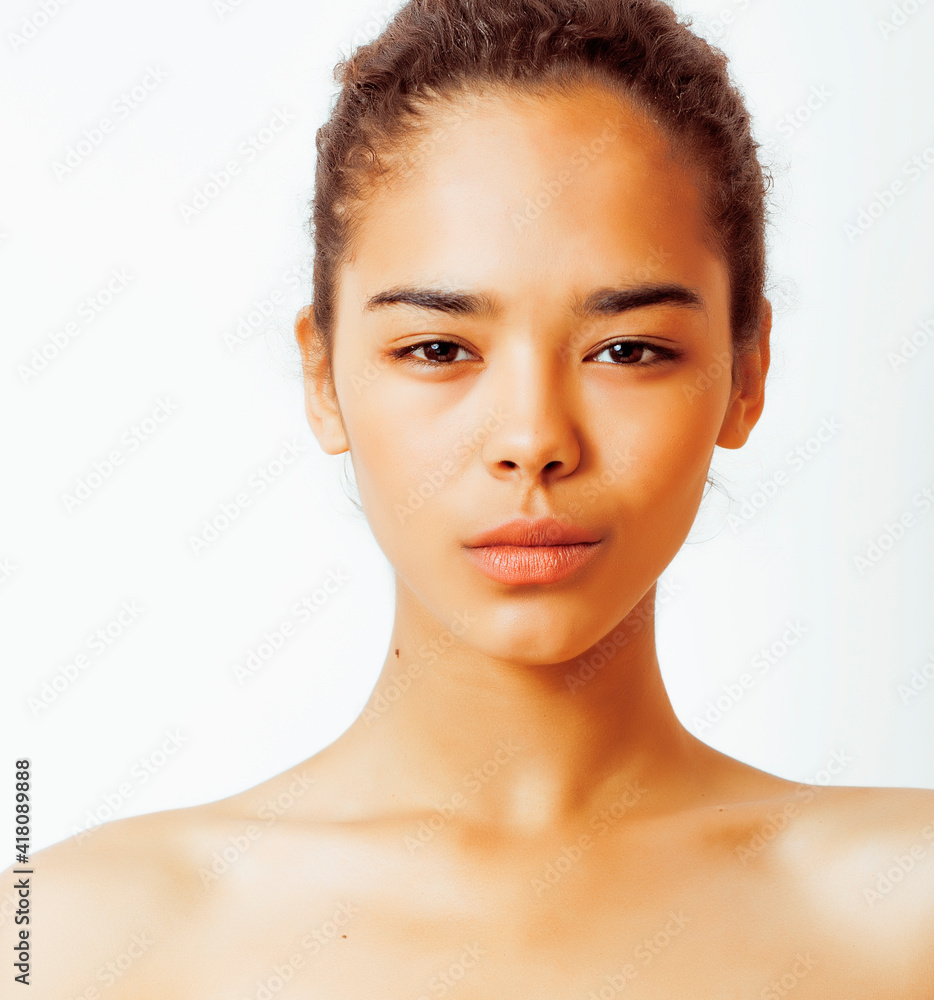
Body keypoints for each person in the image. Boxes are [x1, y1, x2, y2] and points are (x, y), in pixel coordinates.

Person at [15, 1, 934, 996]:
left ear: (744, 372)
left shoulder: (904, 908)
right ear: (323, 377)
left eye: (625, 350)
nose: (533, 439)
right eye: (439, 349)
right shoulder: (68, 938)